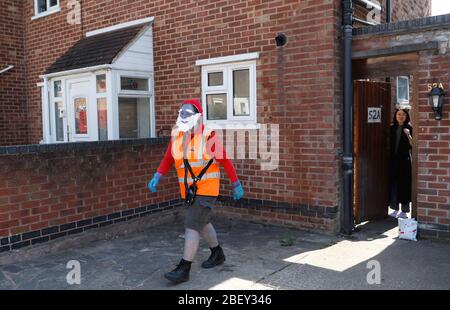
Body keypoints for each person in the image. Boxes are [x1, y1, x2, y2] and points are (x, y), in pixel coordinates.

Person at [147, 99, 244, 284]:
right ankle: (217, 254)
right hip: (190, 190)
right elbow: (169, 157)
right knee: (203, 222)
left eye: (188, 114)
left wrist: (236, 183)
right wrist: (157, 175)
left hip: (207, 189)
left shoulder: (208, 136)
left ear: (197, 117)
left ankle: (184, 268)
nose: (183, 117)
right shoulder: (177, 135)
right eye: (182, 113)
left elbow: (224, 160)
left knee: (191, 225)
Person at [389, 108, 413, 219]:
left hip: (404, 161)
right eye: (398, 114)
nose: (400, 116)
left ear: (406, 116)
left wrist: (408, 135)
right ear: (395, 116)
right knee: (394, 183)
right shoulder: (391, 128)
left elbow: (413, 145)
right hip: (393, 161)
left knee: (404, 184)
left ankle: (404, 211)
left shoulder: (409, 128)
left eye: (403, 114)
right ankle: (394, 208)